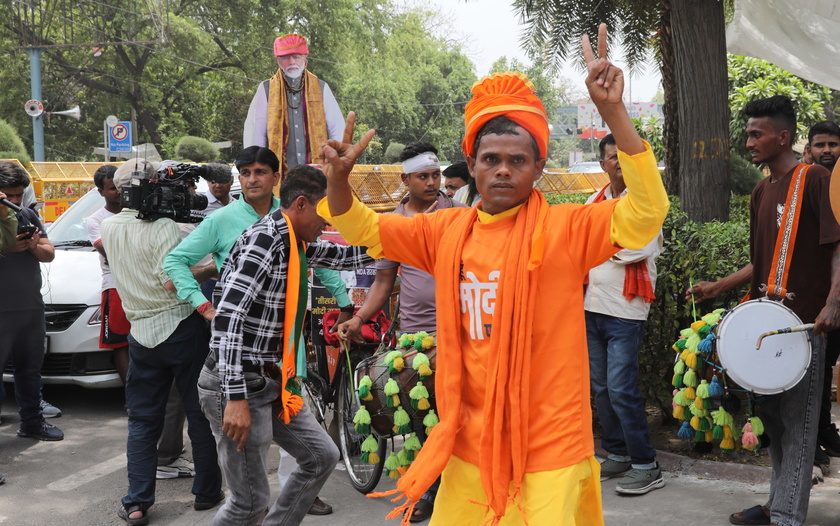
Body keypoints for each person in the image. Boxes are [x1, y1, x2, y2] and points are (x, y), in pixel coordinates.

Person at [320, 24, 668, 525]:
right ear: (473, 165)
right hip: (471, 440)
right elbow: (365, 229)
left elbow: (646, 212)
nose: (504, 170)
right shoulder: (444, 230)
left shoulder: (567, 228)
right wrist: (338, 183)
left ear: (538, 167)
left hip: (550, 444)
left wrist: (613, 112)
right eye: (491, 160)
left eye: (517, 160)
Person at [164, 147, 358, 516]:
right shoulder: (265, 241)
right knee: (249, 502)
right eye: (326, 214)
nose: (328, 225)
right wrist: (234, 398)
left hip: (270, 380)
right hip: (238, 383)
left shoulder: (291, 237)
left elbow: (343, 257)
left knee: (321, 457)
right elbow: (228, 320)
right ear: (301, 204)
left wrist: (401, 243)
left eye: (261, 172)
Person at [687, 96, 840, 526]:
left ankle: (787, 515)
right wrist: (719, 286)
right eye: (749, 133)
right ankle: (777, 505)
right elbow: (762, 260)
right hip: (766, 324)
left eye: (757, 133)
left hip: (805, 326)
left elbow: (836, 244)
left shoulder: (813, 180)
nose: (749, 141)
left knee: (801, 422)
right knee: (774, 419)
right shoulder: (761, 190)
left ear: (783, 136)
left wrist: (833, 300)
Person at [336, 141, 467, 522]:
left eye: (435, 175)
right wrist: (359, 318)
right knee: (424, 417)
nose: (432, 183)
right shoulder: (393, 221)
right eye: (423, 176)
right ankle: (428, 491)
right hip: (417, 337)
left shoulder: (459, 214)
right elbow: (383, 281)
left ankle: (458, 488)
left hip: (460, 332)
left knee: (460, 416)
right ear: (404, 178)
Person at [101, 159, 223, 525]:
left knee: (141, 421)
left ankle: (137, 502)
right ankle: (206, 492)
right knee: (199, 413)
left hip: (140, 335)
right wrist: (214, 262)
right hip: (181, 328)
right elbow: (175, 278)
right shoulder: (167, 227)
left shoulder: (108, 226)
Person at [584, 133, 664, 495]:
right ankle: (616, 453)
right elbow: (582, 242)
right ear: (603, 165)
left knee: (621, 389)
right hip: (591, 306)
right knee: (600, 389)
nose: (618, 162)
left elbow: (636, 248)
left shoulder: (645, 202)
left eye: (624, 157)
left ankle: (647, 465)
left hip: (625, 309)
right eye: (612, 158)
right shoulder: (594, 200)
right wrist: (601, 243)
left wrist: (599, 245)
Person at [0, 162, 63, 445]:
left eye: (18, 195)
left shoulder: (26, 214)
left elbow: (49, 253)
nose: (14, 201)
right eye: (8, 195)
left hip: (29, 306)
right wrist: (8, 248)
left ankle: (32, 422)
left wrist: (34, 246)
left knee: (30, 369)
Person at [243, 33, 344, 175]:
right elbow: (256, 133)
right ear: (278, 60)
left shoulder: (321, 87)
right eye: (285, 58)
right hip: (279, 174)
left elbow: (338, 129)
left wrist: (335, 162)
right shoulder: (266, 89)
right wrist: (258, 168)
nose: (291, 62)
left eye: (296, 57)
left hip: (317, 173)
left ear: (304, 58)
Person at [805, 121, 840, 471]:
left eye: (833, 144)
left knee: (825, 369)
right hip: (821, 300)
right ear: (808, 149)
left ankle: (825, 431)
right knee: (815, 370)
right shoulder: (806, 186)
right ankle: (814, 439)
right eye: (820, 144)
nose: (827, 150)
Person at [86, 164, 130, 384]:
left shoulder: (140, 212)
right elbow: (109, 250)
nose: (119, 192)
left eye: (122, 186)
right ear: (101, 192)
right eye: (113, 188)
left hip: (144, 284)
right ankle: (132, 399)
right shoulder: (95, 220)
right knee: (121, 343)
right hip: (115, 286)